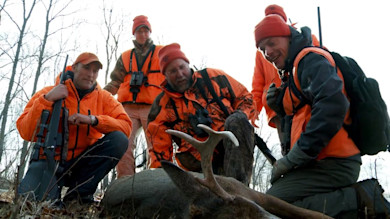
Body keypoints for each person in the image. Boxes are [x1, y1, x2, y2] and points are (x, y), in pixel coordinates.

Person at [254, 12, 390, 218]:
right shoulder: (293, 70)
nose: (268, 52)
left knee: (271, 206)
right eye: (263, 48)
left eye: (272, 43)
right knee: (269, 201)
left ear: (288, 36)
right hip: (317, 163)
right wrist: (280, 107)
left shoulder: (310, 59)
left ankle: (361, 198)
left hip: (335, 163)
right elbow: (305, 114)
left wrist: (293, 159)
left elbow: (333, 105)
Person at [17, 52, 132, 204]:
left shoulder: (104, 98)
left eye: (95, 71)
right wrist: (47, 100)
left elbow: (126, 127)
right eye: (86, 68)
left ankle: (77, 197)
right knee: (31, 203)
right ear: (74, 68)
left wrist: (93, 120)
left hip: (82, 166)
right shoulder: (46, 93)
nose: (91, 74)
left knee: (119, 139)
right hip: (50, 162)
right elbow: (25, 131)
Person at [146, 43, 257, 185]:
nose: (180, 74)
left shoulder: (214, 78)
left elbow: (246, 98)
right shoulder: (161, 106)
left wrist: (239, 116)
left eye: (182, 67)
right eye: (173, 71)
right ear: (165, 76)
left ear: (188, 65)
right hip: (199, 166)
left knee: (238, 121)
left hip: (234, 152)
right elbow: (159, 151)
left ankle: (240, 189)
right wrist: (159, 180)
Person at [251, 5, 320, 153]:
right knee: (287, 147)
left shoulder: (307, 38)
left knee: (311, 137)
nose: (268, 51)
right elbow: (257, 84)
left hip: (304, 99)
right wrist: (253, 112)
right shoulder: (262, 53)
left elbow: (323, 61)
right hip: (275, 105)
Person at [104, 15, 165, 178]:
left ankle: (160, 181)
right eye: (139, 31)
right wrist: (100, 95)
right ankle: (125, 183)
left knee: (158, 145)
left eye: (145, 31)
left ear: (150, 32)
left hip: (152, 107)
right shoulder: (125, 56)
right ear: (134, 34)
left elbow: (172, 77)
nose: (142, 34)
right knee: (123, 144)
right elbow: (115, 81)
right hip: (127, 108)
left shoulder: (161, 53)